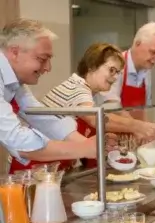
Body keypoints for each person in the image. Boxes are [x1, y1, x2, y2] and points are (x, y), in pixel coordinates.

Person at [0, 18, 115, 173]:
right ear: (15, 53)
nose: (48, 68)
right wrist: (83, 148)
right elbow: (19, 141)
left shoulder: (15, 82)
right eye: (42, 59)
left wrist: (91, 144)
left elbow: (42, 117)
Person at [41, 42, 155, 167]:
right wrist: (138, 126)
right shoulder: (77, 87)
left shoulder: (95, 94)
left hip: (61, 160)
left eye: (118, 73)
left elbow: (109, 115)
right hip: (40, 162)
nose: (115, 77)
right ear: (92, 66)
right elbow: (95, 118)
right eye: (111, 70)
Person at [94, 22, 155, 109]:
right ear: (137, 43)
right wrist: (138, 123)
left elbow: (146, 109)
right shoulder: (114, 67)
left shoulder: (146, 71)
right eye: (153, 52)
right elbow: (112, 109)